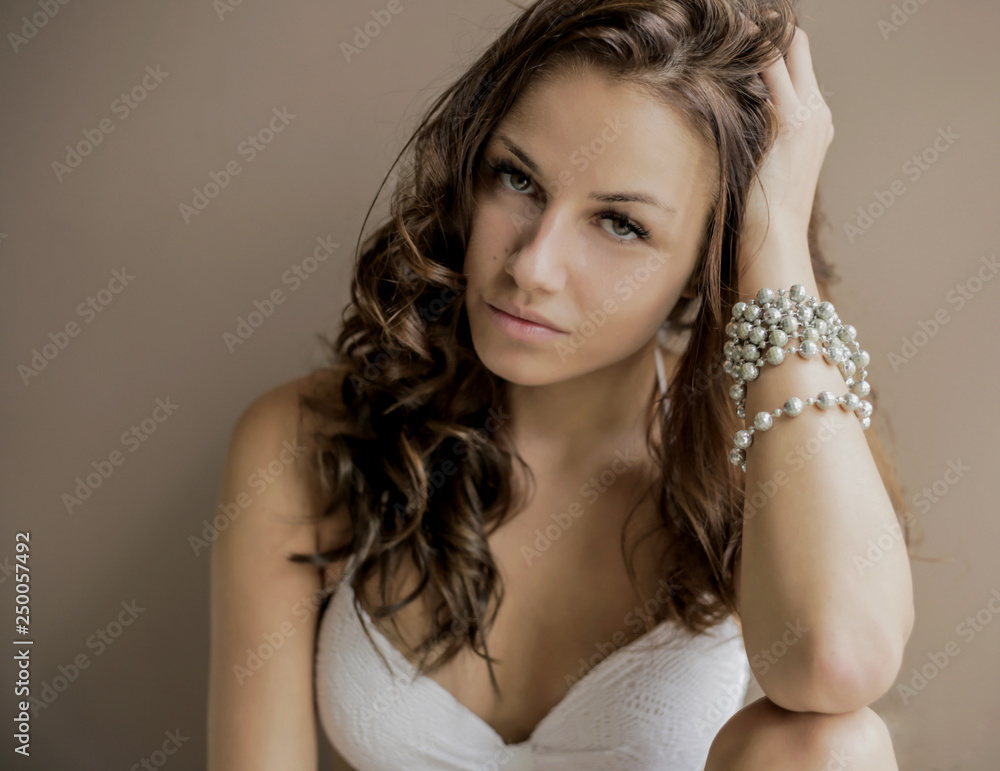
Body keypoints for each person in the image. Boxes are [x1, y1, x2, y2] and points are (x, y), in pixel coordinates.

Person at [207, 1, 916, 769]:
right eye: (517, 179)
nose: (530, 267)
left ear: (707, 262)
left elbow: (838, 662)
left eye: (621, 224)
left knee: (832, 745)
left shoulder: (768, 444)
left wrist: (776, 251)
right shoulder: (308, 439)